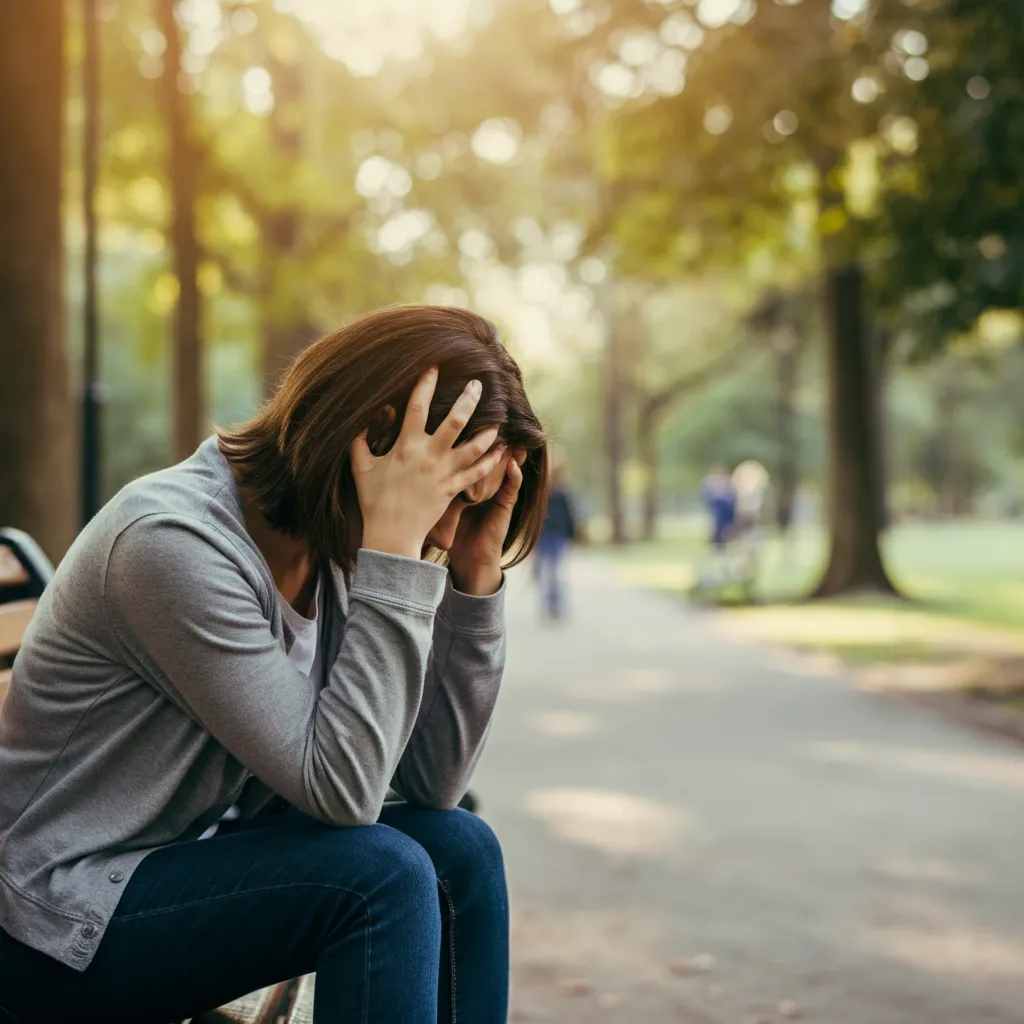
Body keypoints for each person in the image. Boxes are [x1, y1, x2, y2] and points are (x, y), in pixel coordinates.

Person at [0, 306, 549, 1024]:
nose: (443, 533)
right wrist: (394, 554)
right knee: (378, 879)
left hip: (173, 876)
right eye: (447, 498)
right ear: (377, 438)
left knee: (459, 848)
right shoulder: (170, 543)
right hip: (54, 927)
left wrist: (475, 578)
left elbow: (430, 784)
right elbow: (344, 792)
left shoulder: (334, 541)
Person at [534, 458, 577, 620]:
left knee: (553, 572)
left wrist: (571, 536)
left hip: (555, 536)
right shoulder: (545, 493)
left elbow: (569, 517)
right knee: (551, 572)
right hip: (548, 536)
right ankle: (551, 605)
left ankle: (555, 605)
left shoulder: (561, 493)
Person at [701, 465, 736, 551]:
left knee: (725, 527)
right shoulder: (709, 482)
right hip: (716, 510)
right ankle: (716, 543)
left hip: (725, 511)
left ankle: (723, 542)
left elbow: (732, 496)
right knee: (716, 526)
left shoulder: (727, 482)